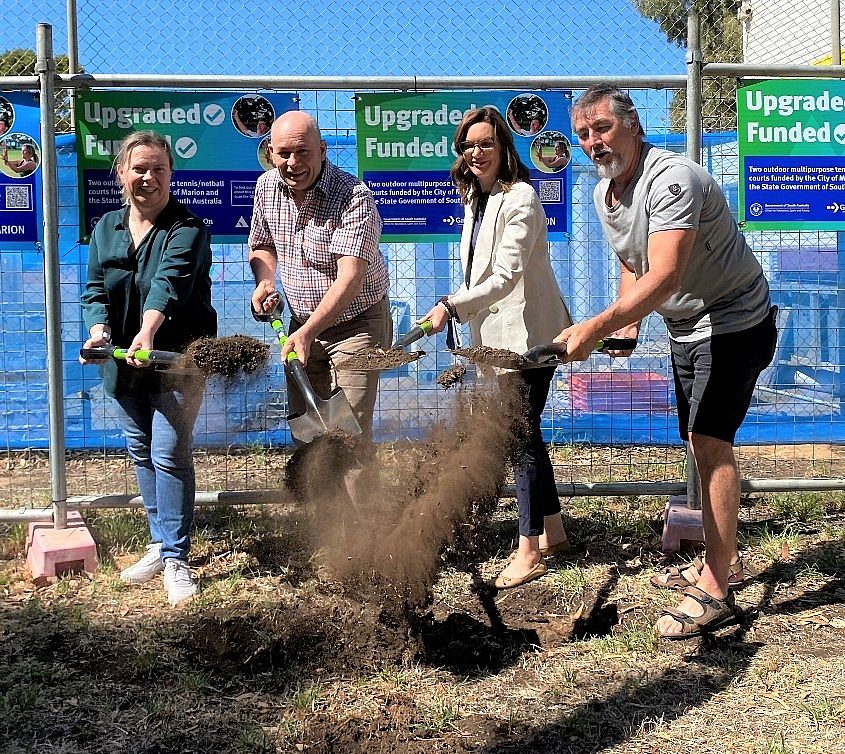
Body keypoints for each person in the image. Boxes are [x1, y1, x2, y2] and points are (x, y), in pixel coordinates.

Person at [555, 84, 776, 639]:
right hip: (685, 325)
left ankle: (717, 588)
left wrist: (594, 326)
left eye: (602, 128)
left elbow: (667, 273)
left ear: (632, 123)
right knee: (697, 441)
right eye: (583, 134)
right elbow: (635, 260)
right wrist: (626, 325)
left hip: (734, 319)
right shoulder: (606, 193)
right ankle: (722, 559)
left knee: (710, 443)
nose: (593, 142)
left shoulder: (672, 179)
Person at [420, 106, 573, 589]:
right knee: (527, 434)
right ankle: (553, 531)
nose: (477, 152)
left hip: (529, 340)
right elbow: (479, 274)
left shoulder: (521, 197)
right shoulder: (475, 199)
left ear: (504, 147)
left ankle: (528, 550)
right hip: (497, 340)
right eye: (468, 145)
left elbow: (505, 276)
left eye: (486, 143)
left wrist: (451, 306)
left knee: (516, 436)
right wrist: (454, 305)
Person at [80, 130, 216, 606]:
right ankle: (159, 543)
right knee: (141, 451)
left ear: (171, 174)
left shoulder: (188, 228)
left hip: (176, 359)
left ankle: (177, 557)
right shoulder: (106, 227)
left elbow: (169, 283)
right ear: (121, 173)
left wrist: (147, 332)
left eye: (158, 168)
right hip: (124, 363)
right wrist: (99, 331)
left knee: (169, 453)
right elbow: (94, 289)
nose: (148, 177)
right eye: (139, 168)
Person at [248, 111, 391, 449]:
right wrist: (265, 281)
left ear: (322, 151)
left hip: (356, 325)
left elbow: (351, 277)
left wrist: (307, 332)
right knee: (308, 431)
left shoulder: (353, 197)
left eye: (303, 152)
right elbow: (262, 243)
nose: (293, 163)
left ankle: (361, 487)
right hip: (301, 325)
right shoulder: (266, 187)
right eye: (284, 153)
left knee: (348, 433)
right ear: (270, 153)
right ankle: (314, 486)